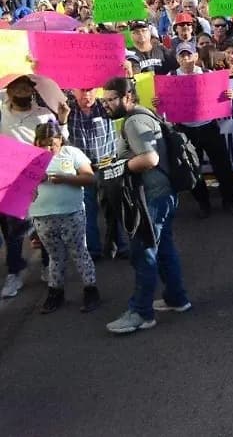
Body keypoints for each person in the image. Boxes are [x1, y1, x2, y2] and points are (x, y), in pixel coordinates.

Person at [100, 76, 191, 334]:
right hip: (162, 195)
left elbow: (150, 158)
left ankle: (141, 313)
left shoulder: (134, 121)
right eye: (105, 100)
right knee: (164, 249)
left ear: (127, 97)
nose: (107, 105)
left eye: (111, 100)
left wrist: (121, 167)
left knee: (144, 253)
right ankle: (177, 299)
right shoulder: (143, 115)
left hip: (152, 198)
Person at [1, 74, 69, 299]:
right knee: (15, 231)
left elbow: (60, 143)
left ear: (33, 91)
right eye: (17, 88)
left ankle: (48, 266)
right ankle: (15, 273)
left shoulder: (43, 115)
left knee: (45, 226)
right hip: (11, 182)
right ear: (8, 92)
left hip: (40, 178)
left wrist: (63, 121)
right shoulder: (1, 114)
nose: (22, 92)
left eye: (26, 88)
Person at [28, 122, 100, 314]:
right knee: (55, 256)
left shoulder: (71, 153)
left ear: (60, 140)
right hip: (42, 217)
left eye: (52, 143)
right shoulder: (29, 158)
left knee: (79, 252)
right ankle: (55, 292)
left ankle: (90, 289)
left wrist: (65, 178)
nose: (48, 148)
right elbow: (17, 189)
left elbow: (90, 178)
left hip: (71, 213)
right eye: (43, 144)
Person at [166, 42, 233, 217]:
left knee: (223, 166)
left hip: (209, 126)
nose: (186, 59)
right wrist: (159, 102)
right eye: (182, 55)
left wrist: (229, 95)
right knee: (193, 168)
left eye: (189, 55)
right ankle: (203, 203)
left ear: (196, 56)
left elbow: (223, 95)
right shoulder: (172, 76)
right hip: (186, 130)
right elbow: (165, 103)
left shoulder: (208, 74)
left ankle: (229, 201)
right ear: (177, 58)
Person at [67, 87, 128, 260]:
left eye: (89, 90)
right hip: (82, 169)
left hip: (107, 166)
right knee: (87, 211)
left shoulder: (104, 106)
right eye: (81, 90)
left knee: (115, 207)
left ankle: (120, 245)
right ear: (73, 91)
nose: (86, 94)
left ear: (96, 90)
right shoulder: (67, 109)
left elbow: (126, 102)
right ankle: (93, 250)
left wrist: (129, 77)